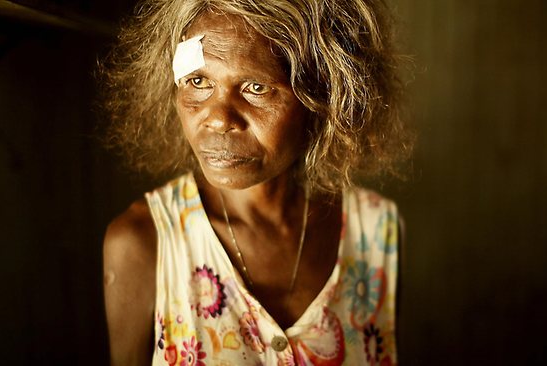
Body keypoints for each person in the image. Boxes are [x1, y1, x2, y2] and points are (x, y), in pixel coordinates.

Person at [101, 0, 411, 365]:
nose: (217, 119)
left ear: (324, 97)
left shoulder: (378, 233)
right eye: (198, 82)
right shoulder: (143, 244)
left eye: (255, 88)